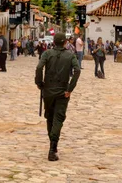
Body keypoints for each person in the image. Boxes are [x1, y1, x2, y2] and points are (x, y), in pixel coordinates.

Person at [35, 33, 80, 161]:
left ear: (54, 42)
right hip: (62, 91)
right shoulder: (70, 55)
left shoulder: (47, 54)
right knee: (58, 118)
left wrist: (39, 83)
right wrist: (70, 88)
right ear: (65, 42)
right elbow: (77, 70)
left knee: (49, 117)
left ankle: (52, 145)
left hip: (48, 90)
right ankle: (53, 147)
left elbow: (39, 68)